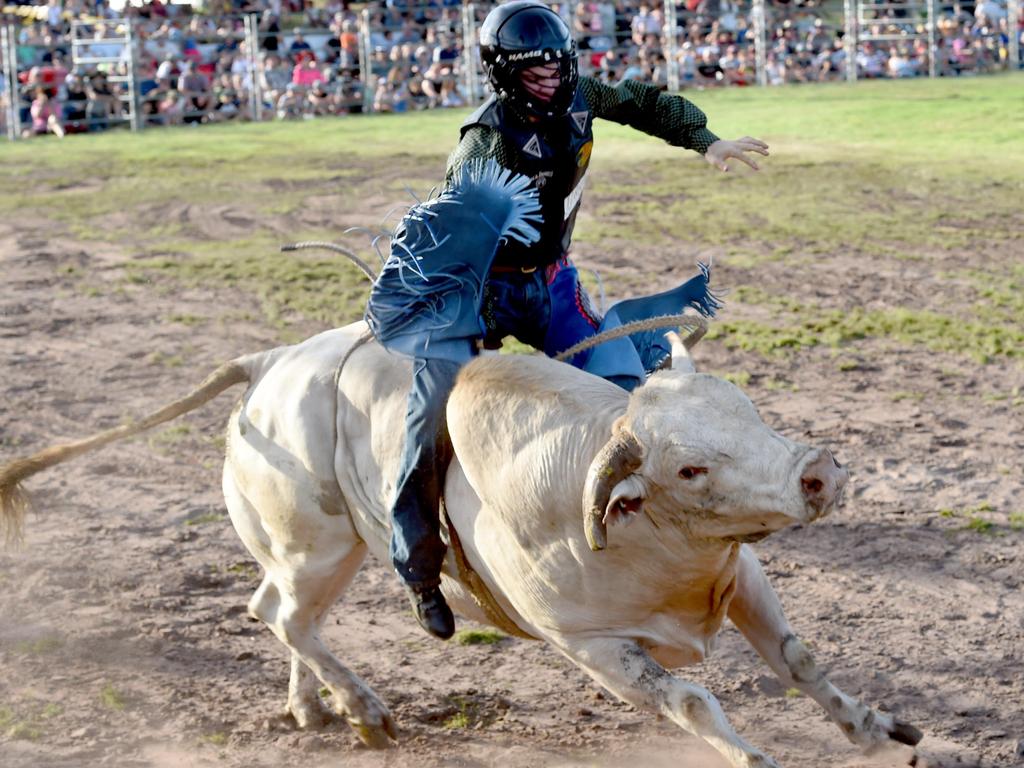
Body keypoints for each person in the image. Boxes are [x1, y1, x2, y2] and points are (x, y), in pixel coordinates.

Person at [365, 0, 768, 641]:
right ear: (504, 73)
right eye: (534, 69)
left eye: (556, 63)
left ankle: (669, 505)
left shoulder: (580, 97)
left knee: (623, 385)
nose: (550, 76)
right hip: (480, 291)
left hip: (551, 283)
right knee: (433, 411)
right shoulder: (485, 141)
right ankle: (418, 563)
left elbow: (642, 103)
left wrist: (706, 140)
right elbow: (453, 224)